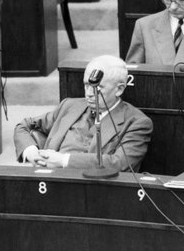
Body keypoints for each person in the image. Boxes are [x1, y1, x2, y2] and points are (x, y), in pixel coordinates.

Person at [14, 55, 153, 172]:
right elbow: (24, 126)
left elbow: (119, 164)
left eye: (97, 88)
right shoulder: (69, 105)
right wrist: (30, 152)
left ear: (119, 89)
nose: (89, 94)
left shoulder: (136, 122)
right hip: (50, 180)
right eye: (86, 85)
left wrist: (63, 160)